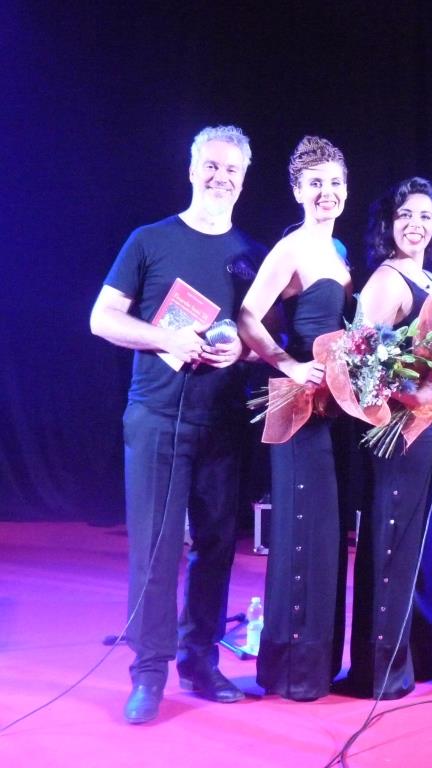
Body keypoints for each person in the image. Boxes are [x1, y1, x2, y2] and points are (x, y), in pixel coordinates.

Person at [90, 125, 264, 724]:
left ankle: (199, 660)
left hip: (222, 422)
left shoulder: (251, 254)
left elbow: (261, 336)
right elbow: (102, 319)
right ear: (192, 170)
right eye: (211, 166)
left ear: (244, 179)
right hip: (157, 416)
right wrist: (165, 338)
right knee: (156, 547)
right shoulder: (149, 240)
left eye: (232, 170)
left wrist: (240, 350)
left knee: (216, 544)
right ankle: (148, 672)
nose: (220, 178)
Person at [237, 135, 352, 701]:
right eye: (315, 184)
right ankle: (291, 671)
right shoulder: (292, 248)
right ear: (297, 191)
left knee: (325, 535)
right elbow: (247, 316)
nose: (326, 192)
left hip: (334, 411)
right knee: (301, 531)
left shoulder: (340, 251)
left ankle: (317, 665)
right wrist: (288, 364)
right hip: (300, 407)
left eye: (335, 183)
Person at [343, 177, 432, 700]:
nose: (415, 224)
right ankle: (380, 669)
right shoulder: (387, 279)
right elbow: (357, 360)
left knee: (414, 545)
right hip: (397, 429)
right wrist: (413, 390)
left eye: (425, 215)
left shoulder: (428, 278)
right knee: (390, 543)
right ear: (389, 223)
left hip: (426, 425)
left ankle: (413, 657)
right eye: (405, 214)